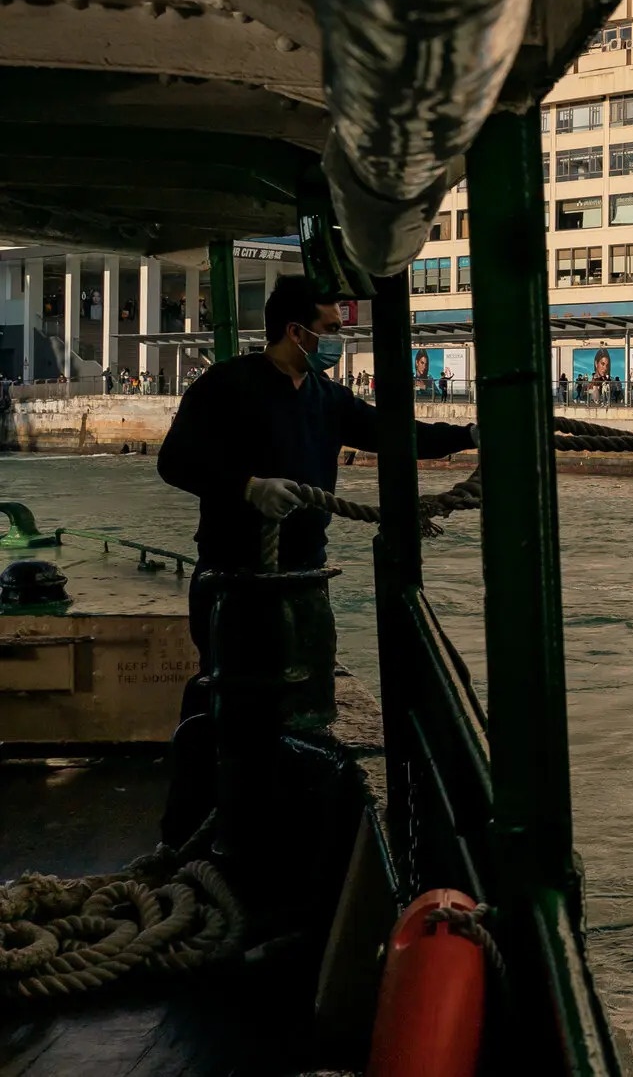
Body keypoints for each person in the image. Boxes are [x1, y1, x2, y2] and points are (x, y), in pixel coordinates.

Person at [156, 275, 475, 843]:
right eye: (330, 329)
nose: (337, 339)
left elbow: (393, 433)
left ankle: (282, 830)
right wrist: (247, 487)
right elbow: (174, 462)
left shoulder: (326, 398)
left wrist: (470, 433)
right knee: (233, 701)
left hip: (305, 574)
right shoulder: (226, 385)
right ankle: (208, 828)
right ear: (295, 330)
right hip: (234, 574)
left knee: (303, 704)